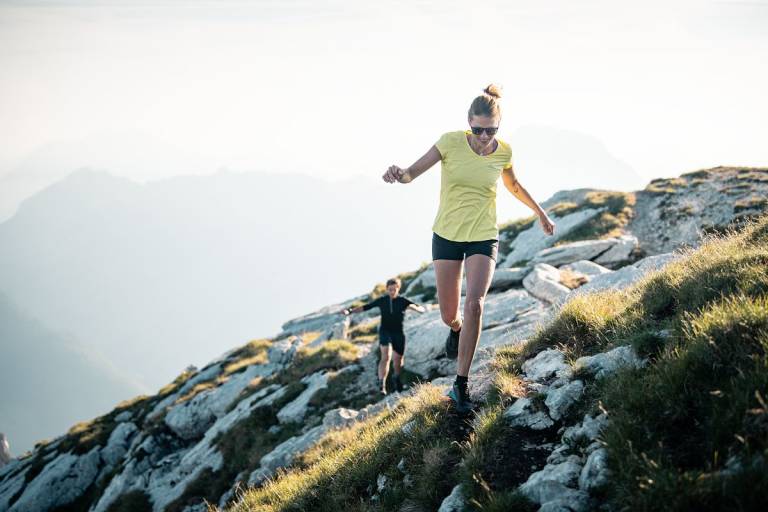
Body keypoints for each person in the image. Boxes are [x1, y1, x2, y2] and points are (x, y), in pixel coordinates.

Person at [382, 84, 555, 413]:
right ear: (468, 123)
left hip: (483, 235)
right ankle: (456, 329)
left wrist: (541, 213)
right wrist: (397, 173)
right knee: (450, 314)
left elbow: (514, 185)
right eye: (478, 130)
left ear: (499, 126)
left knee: (475, 303)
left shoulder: (503, 151)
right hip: (447, 235)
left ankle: (460, 385)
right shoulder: (449, 142)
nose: (484, 137)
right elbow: (411, 173)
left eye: (491, 130)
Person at [343, 277, 426, 394]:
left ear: (398, 289)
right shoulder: (382, 300)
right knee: (385, 357)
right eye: (390, 289)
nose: (392, 292)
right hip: (385, 331)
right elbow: (366, 307)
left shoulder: (403, 301)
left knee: (398, 361)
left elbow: (419, 307)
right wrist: (350, 311)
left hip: (398, 333)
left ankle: (396, 377)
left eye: (394, 289)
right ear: (387, 289)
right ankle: (382, 384)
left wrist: (416, 308)